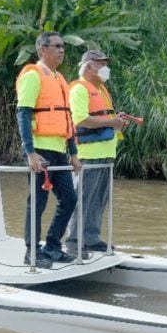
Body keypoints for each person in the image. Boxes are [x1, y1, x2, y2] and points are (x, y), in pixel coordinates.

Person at [15, 31, 82, 268]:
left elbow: (68, 119)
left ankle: (52, 246)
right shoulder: (33, 75)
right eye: (56, 46)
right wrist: (30, 152)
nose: (62, 50)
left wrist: (73, 153)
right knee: (38, 202)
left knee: (69, 199)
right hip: (40, 150)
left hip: (59, 150)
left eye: (63, 46)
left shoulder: (60, 78)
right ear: (42, 49)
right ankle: (31, 252)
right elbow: (23, 113)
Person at [65, 49, 129, 256]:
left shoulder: (101, 89)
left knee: (99, 199)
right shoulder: (80, 89)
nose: (105, 68)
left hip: (106, 155)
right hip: (88, 155)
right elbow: (81, 119)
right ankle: (74, 242)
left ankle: (91, 239)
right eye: (101, 64)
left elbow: (102, 118)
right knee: (83, 199)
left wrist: (116, 120)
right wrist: (113, 122)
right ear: (89, 66)